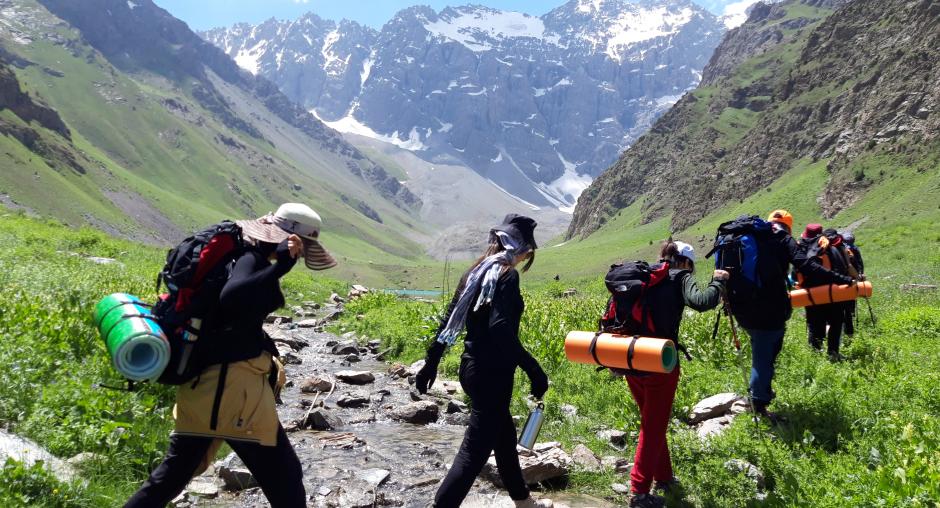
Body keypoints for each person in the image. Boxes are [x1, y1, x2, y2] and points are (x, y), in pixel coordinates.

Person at [126, 203, 338, 508]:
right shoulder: (252, 258)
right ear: (291, 240)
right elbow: (233, 296)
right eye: (302, 247)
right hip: (232, 390)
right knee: (285, 478)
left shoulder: (239, 256)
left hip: (206, 385)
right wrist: (279, 268)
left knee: (171, 477)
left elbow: (230, 313)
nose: (301, 255)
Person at [415, 214, 552, 508]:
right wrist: (534, 370)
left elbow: (449, 320)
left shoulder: (474, 272)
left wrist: (431, 362)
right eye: (528, 251)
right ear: (520, 248)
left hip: (471, 368)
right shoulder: (506, 275)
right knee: (473, 452)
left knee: (503, 436)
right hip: (493, 374)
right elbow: (500, 328)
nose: (526, 256)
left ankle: (523, 501)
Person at [613, 241, 727, 508]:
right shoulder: (680, 277)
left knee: (653, 421)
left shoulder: (643, 275)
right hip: (660, 362)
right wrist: (718, 282)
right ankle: (639, 493)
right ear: (685, 262)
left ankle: (663, 478)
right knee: (653, 426)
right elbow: (702, 302)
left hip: (631, 357)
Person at [730, 211, 853, 421]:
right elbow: (807, 266)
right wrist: (840, 278)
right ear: (789, 226)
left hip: (741, 308)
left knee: (765, 347)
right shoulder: (783, 239)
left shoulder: (746, 238)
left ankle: (762, 390)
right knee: (764, 355)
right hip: (770, 309)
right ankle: (758, 404)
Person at [796, 226, 856, 360]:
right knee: (836, 322)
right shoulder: (831, 248)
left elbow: (795, 275)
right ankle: (833, 353)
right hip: (832, 293)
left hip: (811, 294)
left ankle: (815, 356)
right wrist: (847, 280)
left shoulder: (801, 250)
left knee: (814, 324)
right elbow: (841, 268)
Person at [841, 232, 865, 335]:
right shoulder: (854, 249)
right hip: (852, 280)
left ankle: (843, 327)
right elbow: (860, 264)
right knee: (850, 303)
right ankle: (850, 325)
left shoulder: (840, 248)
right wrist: (860, 276)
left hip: (841, 280)